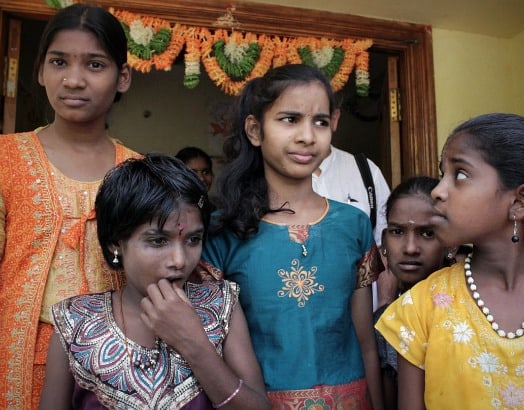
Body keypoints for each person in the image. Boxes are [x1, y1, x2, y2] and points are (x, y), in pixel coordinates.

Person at [197, 64, 385, 409]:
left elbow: (365, 341)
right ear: (255, 130)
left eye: (321, 122)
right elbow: (214, 348)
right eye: (289, 119)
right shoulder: (223, 230)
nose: (307, 136)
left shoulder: (354, 224)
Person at [40, 154, 269, 409]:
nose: (180, 260)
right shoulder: (74, 322)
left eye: (193, 239)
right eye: (159, 241)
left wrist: (193, 343)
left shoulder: (221, 305)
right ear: (116, 242)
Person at [0, 4, 140, 408]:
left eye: (95, 65)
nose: (74, 79)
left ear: (122, 77)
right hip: (17, 359)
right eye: (59, 62)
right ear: (41, 70)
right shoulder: (6, 158)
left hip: (114, 363)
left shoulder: (139, 171)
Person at [376, 113, 524, 409]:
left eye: (459, 175)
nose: (437, 191)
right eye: (442, 173)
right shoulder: (420, 307)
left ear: (519, 201)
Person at [373, 176, 457, 410]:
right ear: (384, 243)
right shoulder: (384, 323)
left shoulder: (467, 308)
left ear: (451, 243)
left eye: (427, 233)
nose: (410, 248)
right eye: (397, 232)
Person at [312, 145, 395, 311]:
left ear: (334, 119)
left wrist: (383, 311)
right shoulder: (272, 176)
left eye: (320, 121)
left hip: (362, 317)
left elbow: (385, 247)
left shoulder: (365, 171)